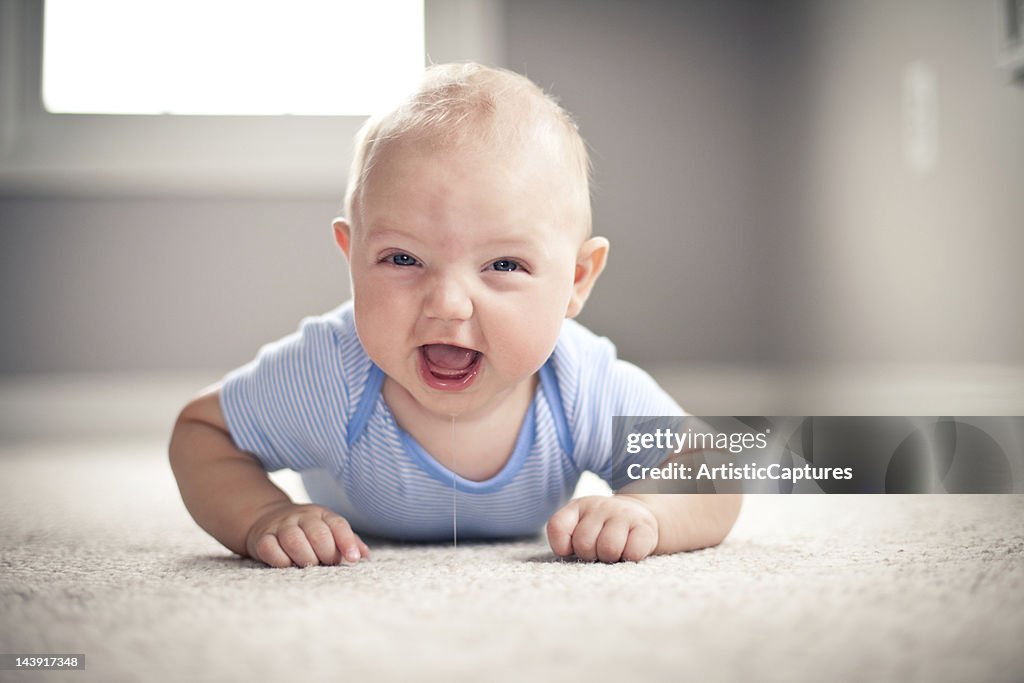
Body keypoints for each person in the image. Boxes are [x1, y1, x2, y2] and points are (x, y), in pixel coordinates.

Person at [169, 62, 741, 568]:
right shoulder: (330, 373)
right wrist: (263, 515)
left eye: (503, 264)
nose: (446, 303)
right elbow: (203, 433)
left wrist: (648, 513)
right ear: (353, 259)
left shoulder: (579, 381)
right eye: (402, 258)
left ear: (576, 280)